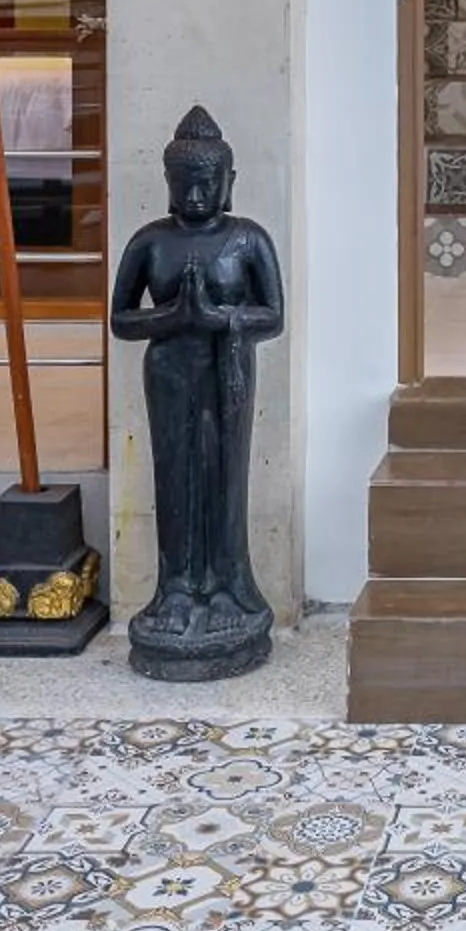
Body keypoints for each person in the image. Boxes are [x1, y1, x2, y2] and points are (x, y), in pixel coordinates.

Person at [110, 106, 284, 678]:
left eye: (209, 183)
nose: (198, 194)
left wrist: (215, 318)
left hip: (226, 370)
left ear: (229, 183)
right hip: (169, 372)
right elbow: (121, 320)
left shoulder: (246, 239)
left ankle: (231, 590)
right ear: (169, 185)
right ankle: (177, 589)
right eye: (186, 184)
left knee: (223, 474)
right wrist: (172, 316)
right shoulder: (151, 242)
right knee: (175, 473)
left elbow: (273, 315)